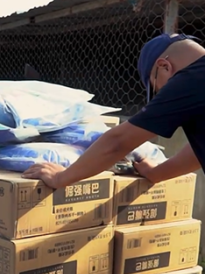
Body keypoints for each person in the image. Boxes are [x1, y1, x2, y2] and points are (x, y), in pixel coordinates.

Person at [23, 33, 205, 188]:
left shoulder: (189, 81)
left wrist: (60, 178)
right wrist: (156, 173)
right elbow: (197, 152)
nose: (162, 94)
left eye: (156, 87)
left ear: (164, 66)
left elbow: (118, 142)